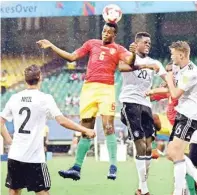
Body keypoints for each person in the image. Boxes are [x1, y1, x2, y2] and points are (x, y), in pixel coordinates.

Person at [37, 22, 137, 180]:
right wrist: (51, 46)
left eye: (108, 32)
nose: (105, 34)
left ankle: (113, 166)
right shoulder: (92, 44)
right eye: (104, 31)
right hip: (88, 89)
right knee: (86, 129)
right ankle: (76, 168)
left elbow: (130, 61)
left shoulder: (118, 49)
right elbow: (71, 57)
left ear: (114, 35)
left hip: (106, 89)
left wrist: (134, 54)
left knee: (108, 126)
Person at [0, 65, 95, 195]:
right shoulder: (45, 98)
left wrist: (9, 140)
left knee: (14, 190)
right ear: (40, 77)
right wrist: (85, 130)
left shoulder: (14, 98)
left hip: (15, 155)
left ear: (25, 79)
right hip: (34, 158)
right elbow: (62, 120)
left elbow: (0, 123)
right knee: (42, 191)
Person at [148, 41, 197, 195]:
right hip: (182, 114)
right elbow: (166, 77)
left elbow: (174, 94)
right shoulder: (177, 67)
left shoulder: (192, 72)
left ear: (181, 55)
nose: (171, 56)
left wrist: (167, 79)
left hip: (190, 116)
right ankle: (196, 180)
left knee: (175, 152)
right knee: (171, 154)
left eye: (173, 53)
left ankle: (181, 189)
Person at [119, 32, 167, 195]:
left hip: (146, 105)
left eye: (150, 43)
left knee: (148, 148)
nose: (148, 45)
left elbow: (167, 79)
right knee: (139, 144)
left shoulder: (156, 62)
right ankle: (145, 189)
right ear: (136, 43)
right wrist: (142, 63)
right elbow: (122, 67)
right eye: (145, 42)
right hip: (130, 102)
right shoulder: (128, 56)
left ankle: (141, 186)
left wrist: (168, 79)